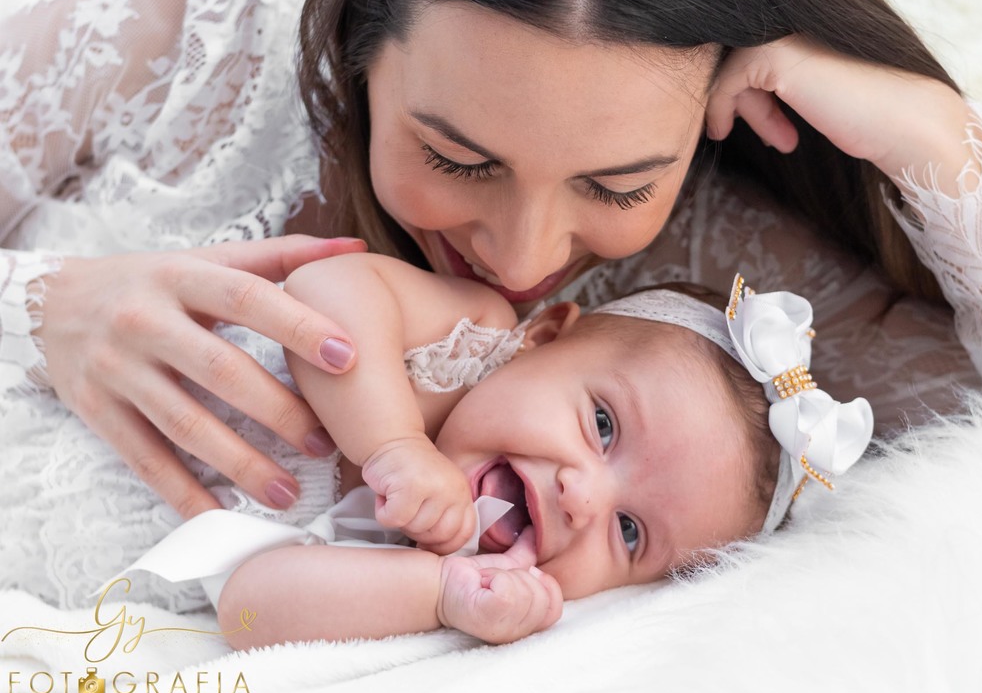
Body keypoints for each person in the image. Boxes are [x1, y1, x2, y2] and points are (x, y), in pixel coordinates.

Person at [0, 0, 982, 594]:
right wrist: (46, 305)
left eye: (619, 185)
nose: (524, 258)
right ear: (359, 39)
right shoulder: (198, 3)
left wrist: (935, 136)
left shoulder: (721, 263)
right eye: (458, 158)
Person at [91, 259, 870, 645]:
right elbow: (324, 289)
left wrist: (439, 595)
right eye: (602, 426)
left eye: (629, 532)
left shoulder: (437, 569)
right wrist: (393, 443)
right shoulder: (469, 342)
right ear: (544, 337)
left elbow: (249, 608)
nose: (583, 498)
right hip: (94, 389)